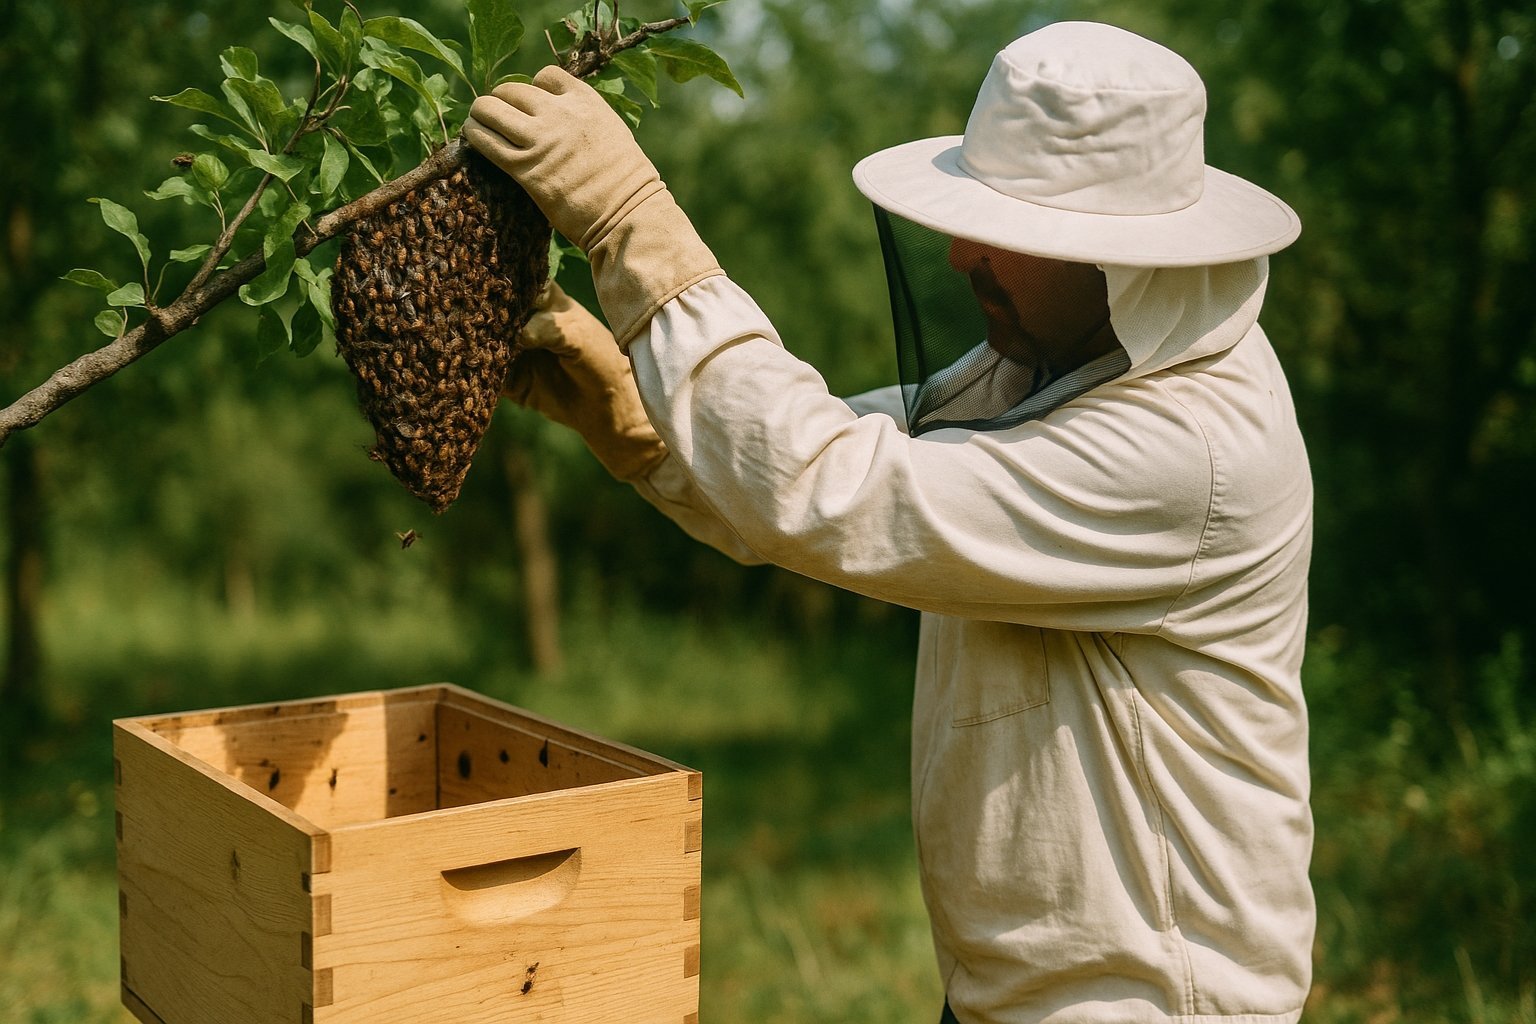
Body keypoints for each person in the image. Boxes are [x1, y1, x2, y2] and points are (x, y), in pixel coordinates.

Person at [465, 19, 1314, 1024]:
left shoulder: (1189, 451)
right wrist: (638, 423)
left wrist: (631, 223)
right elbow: (827, 459)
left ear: (1118, 259)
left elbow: (828, 489)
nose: (960, 254)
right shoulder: (1074, 362)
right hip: (1017, 997)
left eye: (1008, 233)